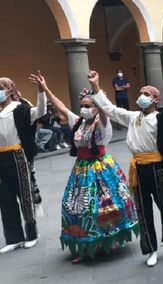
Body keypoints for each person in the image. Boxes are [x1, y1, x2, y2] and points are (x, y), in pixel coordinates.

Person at [31, 71, 139, 263]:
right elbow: (62, 108)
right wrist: (45, 89)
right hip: (81, 170)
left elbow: (106, 108)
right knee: (76, 206)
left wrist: (96, 87)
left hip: (101, 169)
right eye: (82, 106)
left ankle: (106, 239)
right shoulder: (79, 122)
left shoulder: (103, 123)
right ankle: (85, 242)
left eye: (88, 106)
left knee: (102, 205)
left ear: (97, 109)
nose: (84, 109)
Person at [91, 70, 163, 267]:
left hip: (158, 167)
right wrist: (96, 86)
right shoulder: (133, 117)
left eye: (147, 94)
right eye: (141, 93)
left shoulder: (162, 117)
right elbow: (109, 108)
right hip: (138, 169)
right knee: (143, 211)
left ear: (155, 99)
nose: (141, 97)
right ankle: (151, 248)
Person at [0, 75, 46, 254]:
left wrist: (41, 91)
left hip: (17, 155)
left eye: (1, 88)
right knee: (5, 199)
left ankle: (32, 235)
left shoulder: (20, 109)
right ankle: (14, 238)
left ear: (10, 90)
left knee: (25, 195)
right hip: (0, 157)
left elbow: (40, 112)